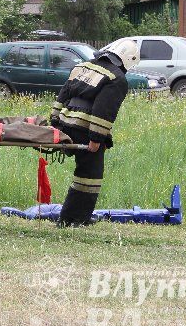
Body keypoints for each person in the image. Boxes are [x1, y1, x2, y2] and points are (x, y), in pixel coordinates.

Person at [50, 39, 139, 226]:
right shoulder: (116, 79)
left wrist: (55, 122)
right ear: (127, 60)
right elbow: (103, 111)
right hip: (85, 129)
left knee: (84, 173)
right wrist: (96, 139)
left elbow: (63, 95)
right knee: (90, 176)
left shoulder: (82, 66)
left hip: (65, 125)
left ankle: (72, 216)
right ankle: (74, 219)